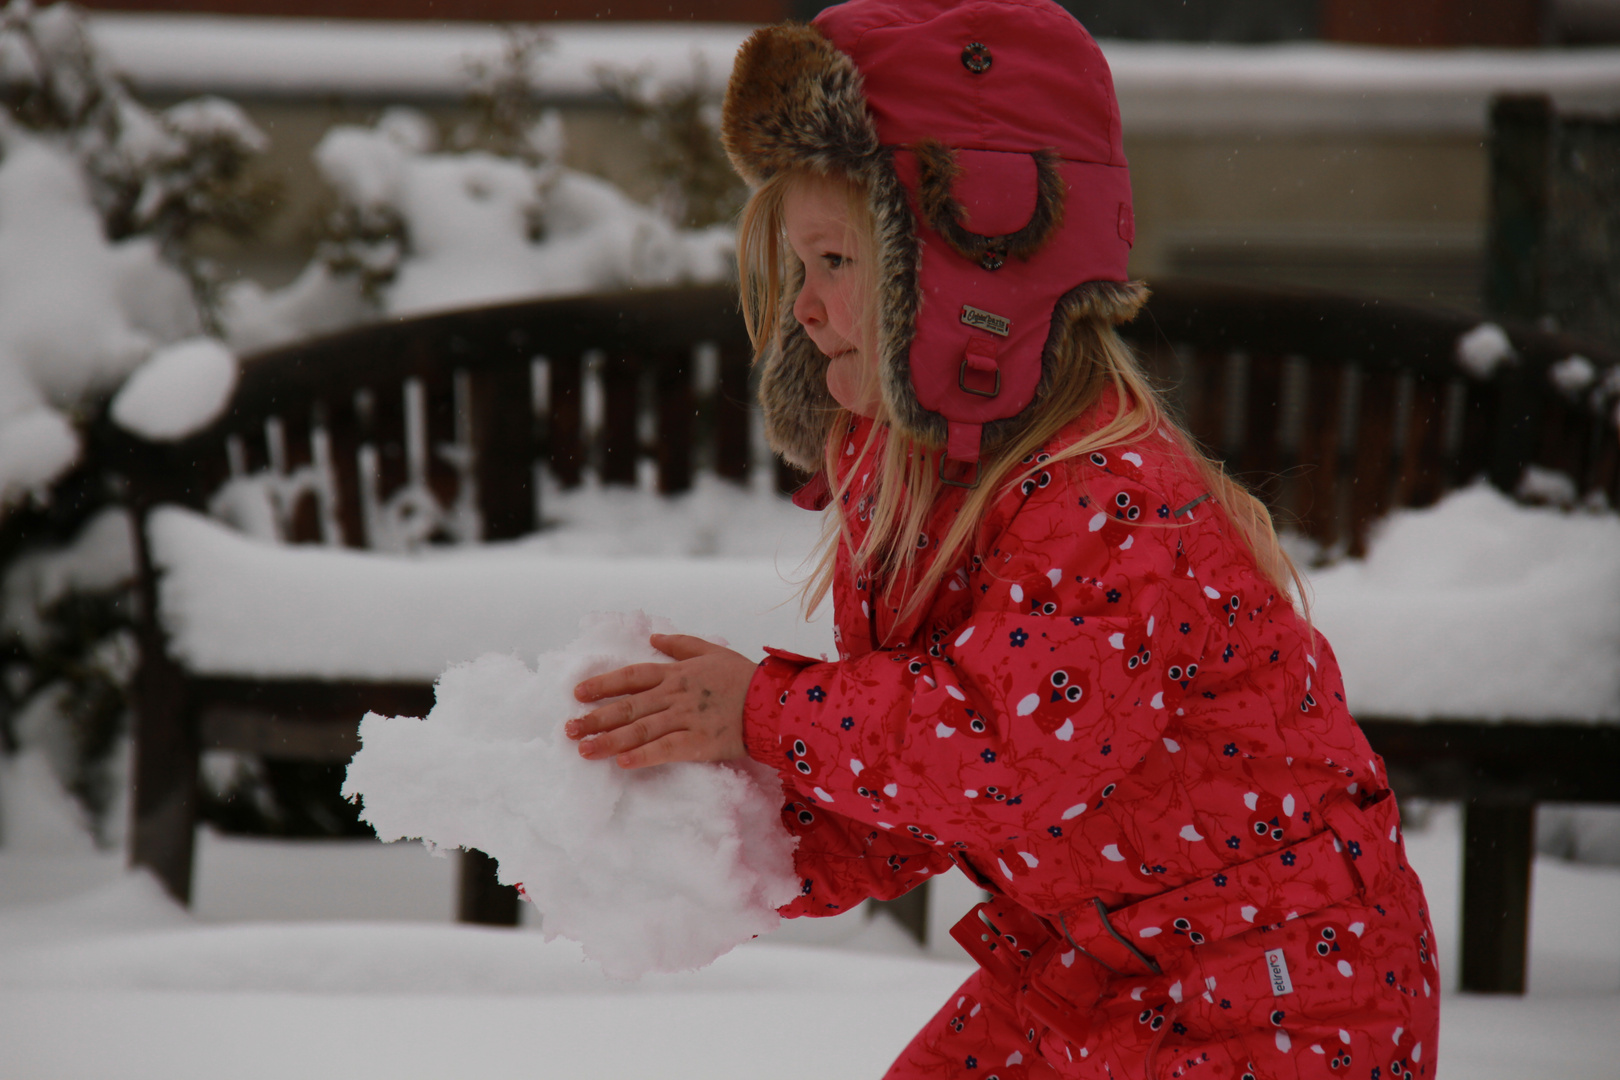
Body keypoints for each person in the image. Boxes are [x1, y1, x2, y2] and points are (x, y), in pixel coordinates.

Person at [568, 2, 1440, 1077]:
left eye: (836, 261)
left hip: (1280, 999)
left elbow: (996, 755)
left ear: (971, 275)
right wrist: (685, 849)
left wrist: (762, 710)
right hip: (1100, 972)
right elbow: (911, 800)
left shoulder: (1112, 505)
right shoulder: (933, 494)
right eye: (799, 269)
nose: (804, 307)